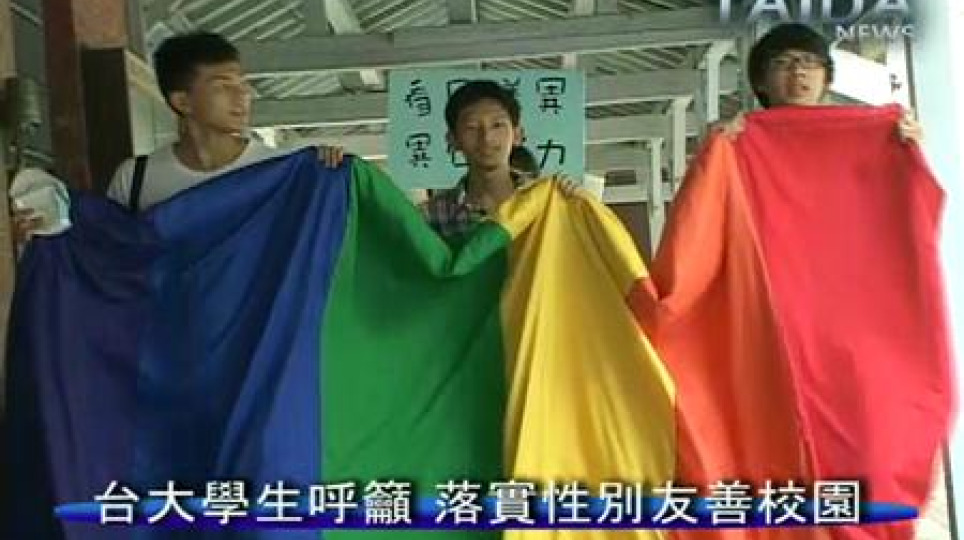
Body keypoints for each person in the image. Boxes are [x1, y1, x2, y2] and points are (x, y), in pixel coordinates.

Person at [13, 31, 343, 240]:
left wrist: (333, 173)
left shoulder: (277, 170)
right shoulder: (136, 179)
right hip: (171, 330)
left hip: (257, 331)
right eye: (223, 87)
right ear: (182, 102)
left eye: (243, 85)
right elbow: (106, 252)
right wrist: (44, 229)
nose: (242, 96)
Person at [421, 80, 579, 241]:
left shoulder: (550, 204)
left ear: (517, 135)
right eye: (472, 127)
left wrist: (574, 205)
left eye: (497, 125)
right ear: (453, 140)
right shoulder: (430, 217)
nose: (486, 138)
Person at [715, 23, 922, 142]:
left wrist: (906, 147)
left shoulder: (857, 139)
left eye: (809, 61)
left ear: (827, 80)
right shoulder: (737, 138)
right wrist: (713, 149)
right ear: (760, 81)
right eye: (782, 62)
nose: (798, 71)